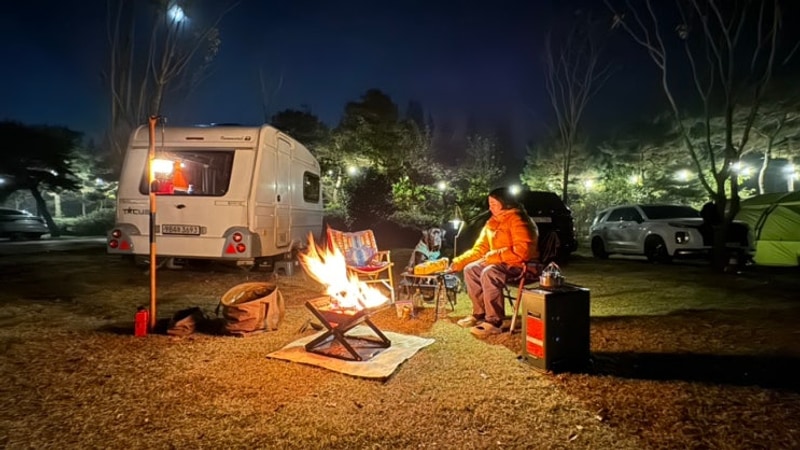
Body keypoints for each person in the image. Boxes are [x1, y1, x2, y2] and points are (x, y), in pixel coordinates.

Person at [448, 187, 539, 338]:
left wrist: (493, 256)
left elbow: (523, 252)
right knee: (471, 269)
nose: (491, 207)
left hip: (522, 265)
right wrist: (458, 263)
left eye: (494, 204)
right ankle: (480, 313)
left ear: (506, 203)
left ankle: (494, 322)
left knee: (490, 271)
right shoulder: (492, 222)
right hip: (501, 262)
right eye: (489, 204)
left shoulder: (519, 220)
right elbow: (480, 249)